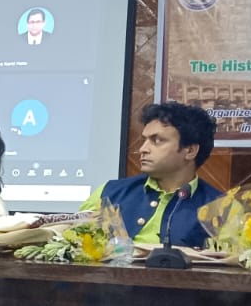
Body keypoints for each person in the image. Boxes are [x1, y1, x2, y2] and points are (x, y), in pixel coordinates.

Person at [82, 101, 223, 247]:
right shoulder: (109, 192)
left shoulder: (221, 208)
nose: (143, 149)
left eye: (156, 140)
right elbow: (73, 242)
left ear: (190, 151)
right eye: (144, 140)